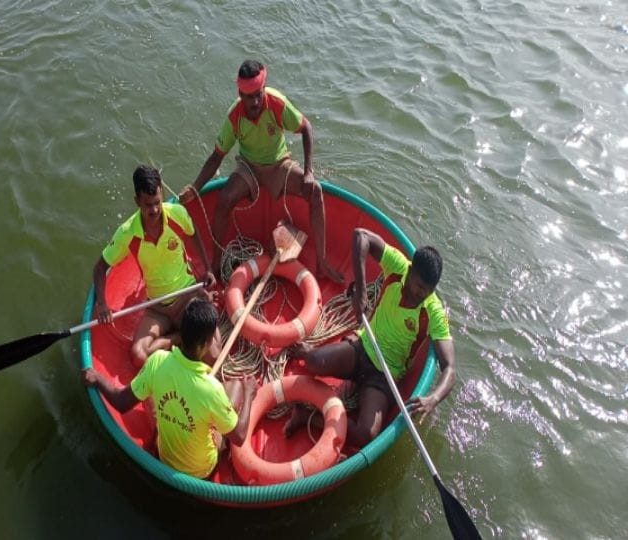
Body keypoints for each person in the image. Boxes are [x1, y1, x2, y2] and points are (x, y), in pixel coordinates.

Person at [288, 228, 456, 447]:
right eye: (418, 286)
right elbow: (360, 236)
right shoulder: (398, 266)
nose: (420, 294)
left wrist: (433, 399)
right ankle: (312, 353)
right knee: (312, 362)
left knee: (366, 435)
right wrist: (361, 291)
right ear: (411, 270)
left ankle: (307, 417)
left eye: (427, 291)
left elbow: (450, 368)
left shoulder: (434, 312)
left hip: (384, 376)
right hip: (362, 346)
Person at [179, 59, 343, 284]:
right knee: (224, 199)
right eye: (249, 97)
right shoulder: (234, 116)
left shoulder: (277, 104)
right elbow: (217, 155)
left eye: (259, 94)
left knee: (315, 191)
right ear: (240, 93)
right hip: (249, 168)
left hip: (279, 165)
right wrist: (195, 187)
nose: (255, 101)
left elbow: (306, 128)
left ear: (264, 88)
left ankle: (323, 263)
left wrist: (308, 171)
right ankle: (216, 264)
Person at [82, 298, 257, 479]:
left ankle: (156, 438)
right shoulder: (212, 389)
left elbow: (121, 402)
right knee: (235, 386)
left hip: (165, 459)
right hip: (201, 471)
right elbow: (239, 436)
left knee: (150, 389)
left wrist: (98, 379)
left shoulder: (157, 361)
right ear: (208, 342)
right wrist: (250, 395)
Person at [93, 165, 216, 367]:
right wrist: (103, 304)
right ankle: (180, 336)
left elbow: (193, 233)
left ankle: (177, 338)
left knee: (212, 355)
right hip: (158, 307)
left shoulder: (178, 214)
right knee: (138, 355)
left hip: (188, 297)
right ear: (137, 202)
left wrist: (208, 269)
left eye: (158, 202)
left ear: (162, 194)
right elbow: (99, 268)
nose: (155, 210)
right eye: (148, 205)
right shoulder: (127, 233)